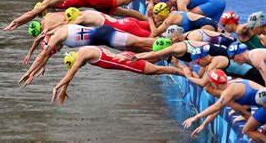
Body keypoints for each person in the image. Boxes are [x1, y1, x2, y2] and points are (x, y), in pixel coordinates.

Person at [18, 24, 157, 85]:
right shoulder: (57, 36)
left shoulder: (57, 37)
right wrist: (32, 72)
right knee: (138, 50)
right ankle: (163, 54)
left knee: (140, 42)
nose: (58, 51)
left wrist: (28, 72)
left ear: (51, 43)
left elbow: (43, 55)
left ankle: (167, 44)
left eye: (56, 50)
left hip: (106, 35)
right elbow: (45, 55)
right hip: (105, 38)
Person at [50, 46, 184, 104]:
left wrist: (56, 87)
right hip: (125, 56)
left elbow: (71, 74)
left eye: (79, 65)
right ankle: (176, 59)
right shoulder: (82, 51)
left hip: (127, 63)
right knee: (155, 59)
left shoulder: (82, 56)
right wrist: (64, 89)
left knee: (160, 70)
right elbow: (71, 73)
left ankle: (187, 74)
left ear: (76, 61)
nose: (81, 67)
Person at [182, 69, 266, 142]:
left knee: (247, 130)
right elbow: (217, 109)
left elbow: (216, 107)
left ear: (214, 83)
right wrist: (204, 124)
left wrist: (195, 117)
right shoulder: (233, 84)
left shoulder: (229, 91)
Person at [4, 0, 153, 30]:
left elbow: (32, 14)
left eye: (45, 13)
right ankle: (148, 21)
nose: (50, 15)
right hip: (93, 3)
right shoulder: (54, 5)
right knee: (123, 13)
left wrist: (16, 22)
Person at [187, 45, 265, 86]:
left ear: (204, 57)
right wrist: (195, 75)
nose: (198, 65)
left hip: (254, 76)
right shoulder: (209, 62)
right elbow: (200, 77)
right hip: (248, 76)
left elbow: (203, 83)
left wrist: (189, 77)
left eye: (197, 62)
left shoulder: (215, 62)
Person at [119, 37, 227, 64]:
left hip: (219, 52)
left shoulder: (176, 48)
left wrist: (138, 57)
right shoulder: (176, 51)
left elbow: (154, 54)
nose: (162, 57)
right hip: (212, 55)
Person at [64, 7, 152, 37]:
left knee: (154, 38)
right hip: (128, 21)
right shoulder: (88, 12)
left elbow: (67, 27)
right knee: (158, 27)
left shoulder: (83, 18)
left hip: (126, 29)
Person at [151, 3, 218, 36]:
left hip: (206, 26)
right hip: (209, 22)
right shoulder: (174, 13)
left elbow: (155, 33)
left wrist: (149, 18)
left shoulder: (169, 20)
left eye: (155, 14)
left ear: (161, 14)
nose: (154, 16)